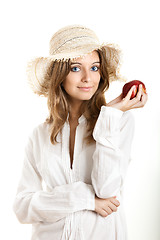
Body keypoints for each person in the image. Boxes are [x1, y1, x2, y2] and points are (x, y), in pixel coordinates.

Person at [13, 25, 148, 240]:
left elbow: (106, 190)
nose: (88, 78)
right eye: (76, 68)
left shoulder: (119, 122)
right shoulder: (38, 135)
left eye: (94, 68)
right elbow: (23, 207)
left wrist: (109, 117)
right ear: (60, 76)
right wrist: (85, 199)